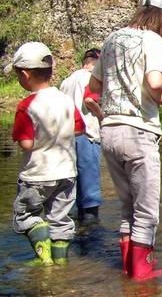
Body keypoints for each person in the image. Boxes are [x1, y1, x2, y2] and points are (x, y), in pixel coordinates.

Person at [88, 0, 162, 280]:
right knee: (146, 211)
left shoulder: (111, 39)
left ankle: (128, 270)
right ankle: (142, 276)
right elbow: (155, 83)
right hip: (139, 131)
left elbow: (95, 89)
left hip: (109, 131)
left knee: (127, 207)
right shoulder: (154, 41)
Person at [9, 42, 85, 266]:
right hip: (67, 173)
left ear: (24, 75)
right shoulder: (65, 100)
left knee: (26, 215)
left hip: (37, 175)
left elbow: (26, 143)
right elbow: (79, 129)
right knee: (61, 220)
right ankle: (61, 263)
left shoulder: (27, 106)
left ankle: (44, 260)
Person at [60, 48, 104, 225]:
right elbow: (89, 100)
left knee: (74, 184)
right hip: (87, 135)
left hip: (67, 137)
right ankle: (91, 228)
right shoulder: (89, 77)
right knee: (90, 187)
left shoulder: (66, 81)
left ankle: (77, 225)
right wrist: (102, 117)